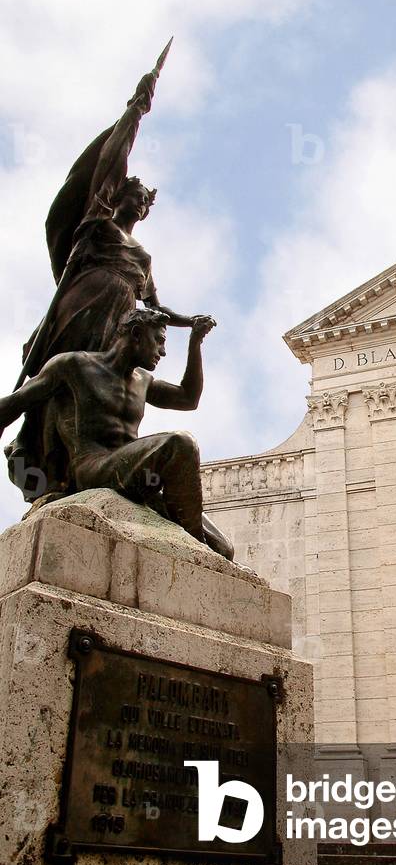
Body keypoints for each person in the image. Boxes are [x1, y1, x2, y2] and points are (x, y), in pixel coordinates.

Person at [8, 43, 215, 501]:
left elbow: (157, 309)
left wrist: (191, 327)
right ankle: (49, 474)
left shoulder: (142, 258)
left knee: (99, 386)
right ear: (120, 196)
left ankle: (86, 468)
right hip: (79, 307)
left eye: (145, 202)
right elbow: (107, 163)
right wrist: (134, 113)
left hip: (118, 322)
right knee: (63, 380)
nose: (139, 206)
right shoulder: (96, 223)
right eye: (135, 196)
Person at [0, 309, 233, 560]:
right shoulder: (73, 366)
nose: (163, 352)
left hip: (135, 475)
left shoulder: (143, 380)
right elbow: (15, 403)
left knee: (223, 548)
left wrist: (195, 343)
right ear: (136, 334)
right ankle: (194, 553)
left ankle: (199, 547)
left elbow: (188, 398)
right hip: (93, 466)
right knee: (181, 443)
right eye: (159, 341)